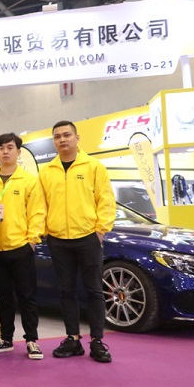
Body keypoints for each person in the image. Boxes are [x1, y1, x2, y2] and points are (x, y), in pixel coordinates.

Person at [38, 121, 116, 363]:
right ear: (54, 141)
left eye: (67, 135)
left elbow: (106, 200)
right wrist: (45, 231)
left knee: (94, 290)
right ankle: (72, 338)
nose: (62, 140)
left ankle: (97, 341)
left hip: (87, 237)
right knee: (66, 291)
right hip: (58, 240)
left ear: (77, 138)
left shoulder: (94, 167)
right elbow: (41, 205)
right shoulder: (46, 171)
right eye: (57, 136)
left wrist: (100, 231)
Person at [0, 133, 46, 360]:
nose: (5, 151)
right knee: (3, 297)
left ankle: (31, 340)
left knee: (27, 296)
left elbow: (37, 213)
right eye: (1, 148)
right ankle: (6, 338)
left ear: (18, 152)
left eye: (10, 147)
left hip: (21, 247)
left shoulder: (29, 181)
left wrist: (31, 241)